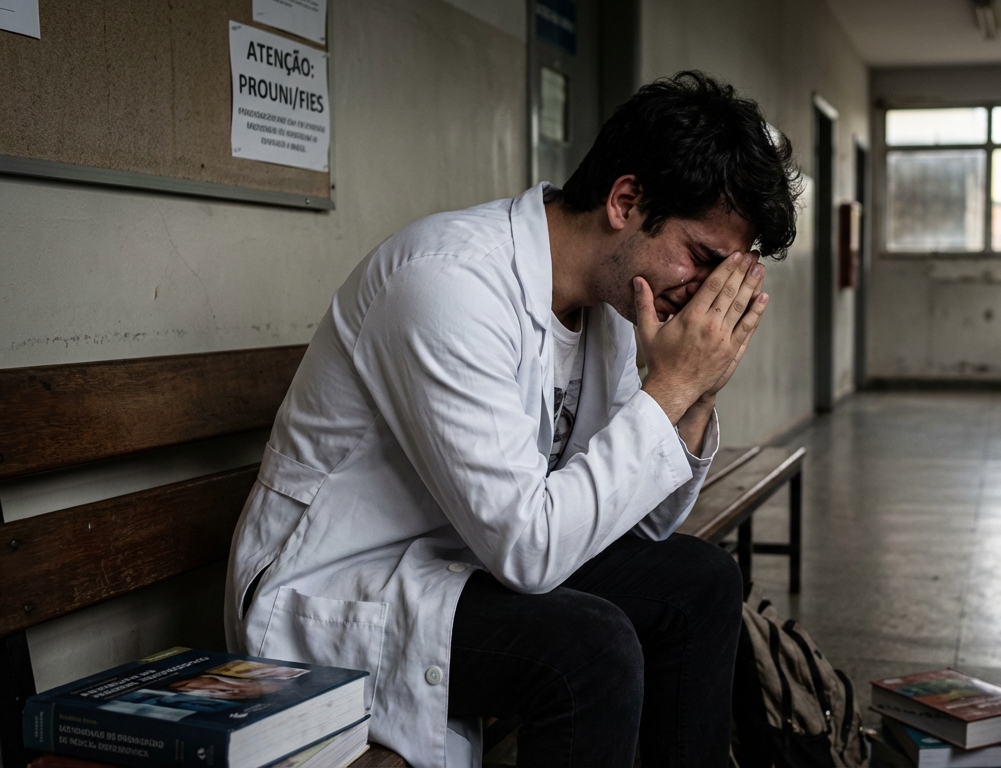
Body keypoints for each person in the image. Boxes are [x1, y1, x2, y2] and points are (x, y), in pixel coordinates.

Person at [223, 71, 800, 768]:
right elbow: (530, 551)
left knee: (701, 583)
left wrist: (696, 393)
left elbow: (648, 523)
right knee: (590, 649)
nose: (705, 292)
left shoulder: (617, 305)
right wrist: (669, 387)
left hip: (466, 561)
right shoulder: (449, 282)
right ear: (627, 200)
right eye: (703, 259)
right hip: (338, 587)